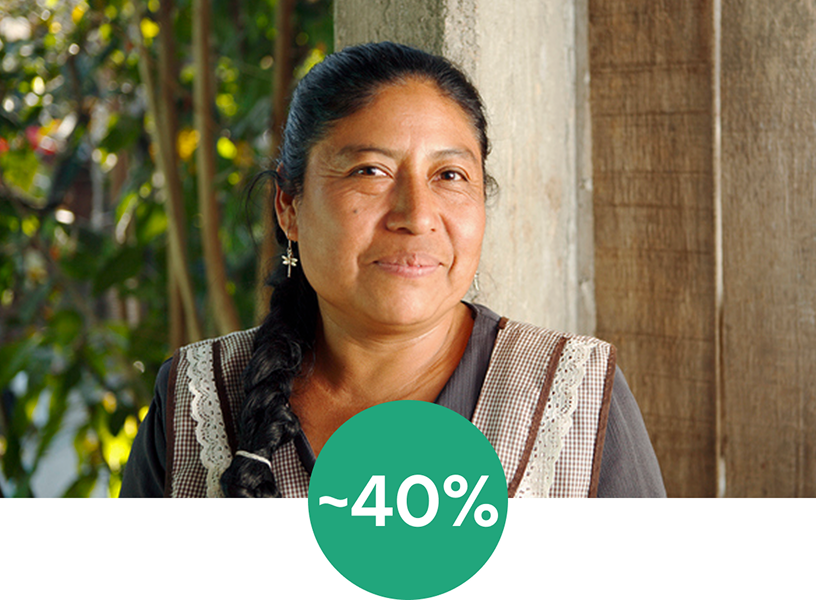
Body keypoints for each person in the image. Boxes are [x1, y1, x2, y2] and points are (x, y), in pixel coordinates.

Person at [121, 41, 665, 498]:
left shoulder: (574, 400)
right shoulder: (198, 402)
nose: (417, 215)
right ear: (289, 206)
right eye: (369, 171)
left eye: (449, 175)